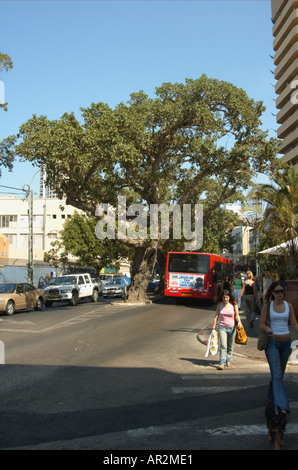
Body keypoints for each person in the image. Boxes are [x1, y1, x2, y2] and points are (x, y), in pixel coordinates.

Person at [260, 280, 298, 414]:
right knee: (276, 375)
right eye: (277, 292)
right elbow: (262, 324)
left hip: (286, 344)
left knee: (279, 374)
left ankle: (271, 396)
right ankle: (282, 406)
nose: (280, 294)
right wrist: (268, 329)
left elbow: (294, 324)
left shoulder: (289, 306)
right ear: (272, 293)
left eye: (282, 291)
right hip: (272, 343)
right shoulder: (268, 305)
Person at [212, 291, 241, 370]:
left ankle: (229, 360)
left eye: (227, 297)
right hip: (222, 327)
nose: (225, 299)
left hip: (232, 328)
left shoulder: (233, 304)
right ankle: (222, 363)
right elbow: (216, 315)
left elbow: (237, 315)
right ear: (222, 298)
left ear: (229, 297)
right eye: (224, 297)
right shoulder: (220, 304)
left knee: (230, 345)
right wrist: (214, 326)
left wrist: (239, 323)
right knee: (223, 345)